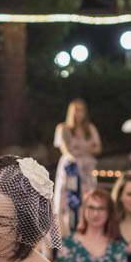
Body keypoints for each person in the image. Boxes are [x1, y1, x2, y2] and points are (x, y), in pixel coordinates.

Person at [53, 99, 102, 236]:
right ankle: (65, 233)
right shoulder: (63, 128)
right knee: (66, 198)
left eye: (82, 110)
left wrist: (81, 150)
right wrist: (84, 150)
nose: (79, 113)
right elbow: (65, 149)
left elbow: (98, 148)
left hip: (86, 169)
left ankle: (84, 231)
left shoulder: (90, 128)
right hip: (71, 167)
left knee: (86, 196)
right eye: (76, 110)